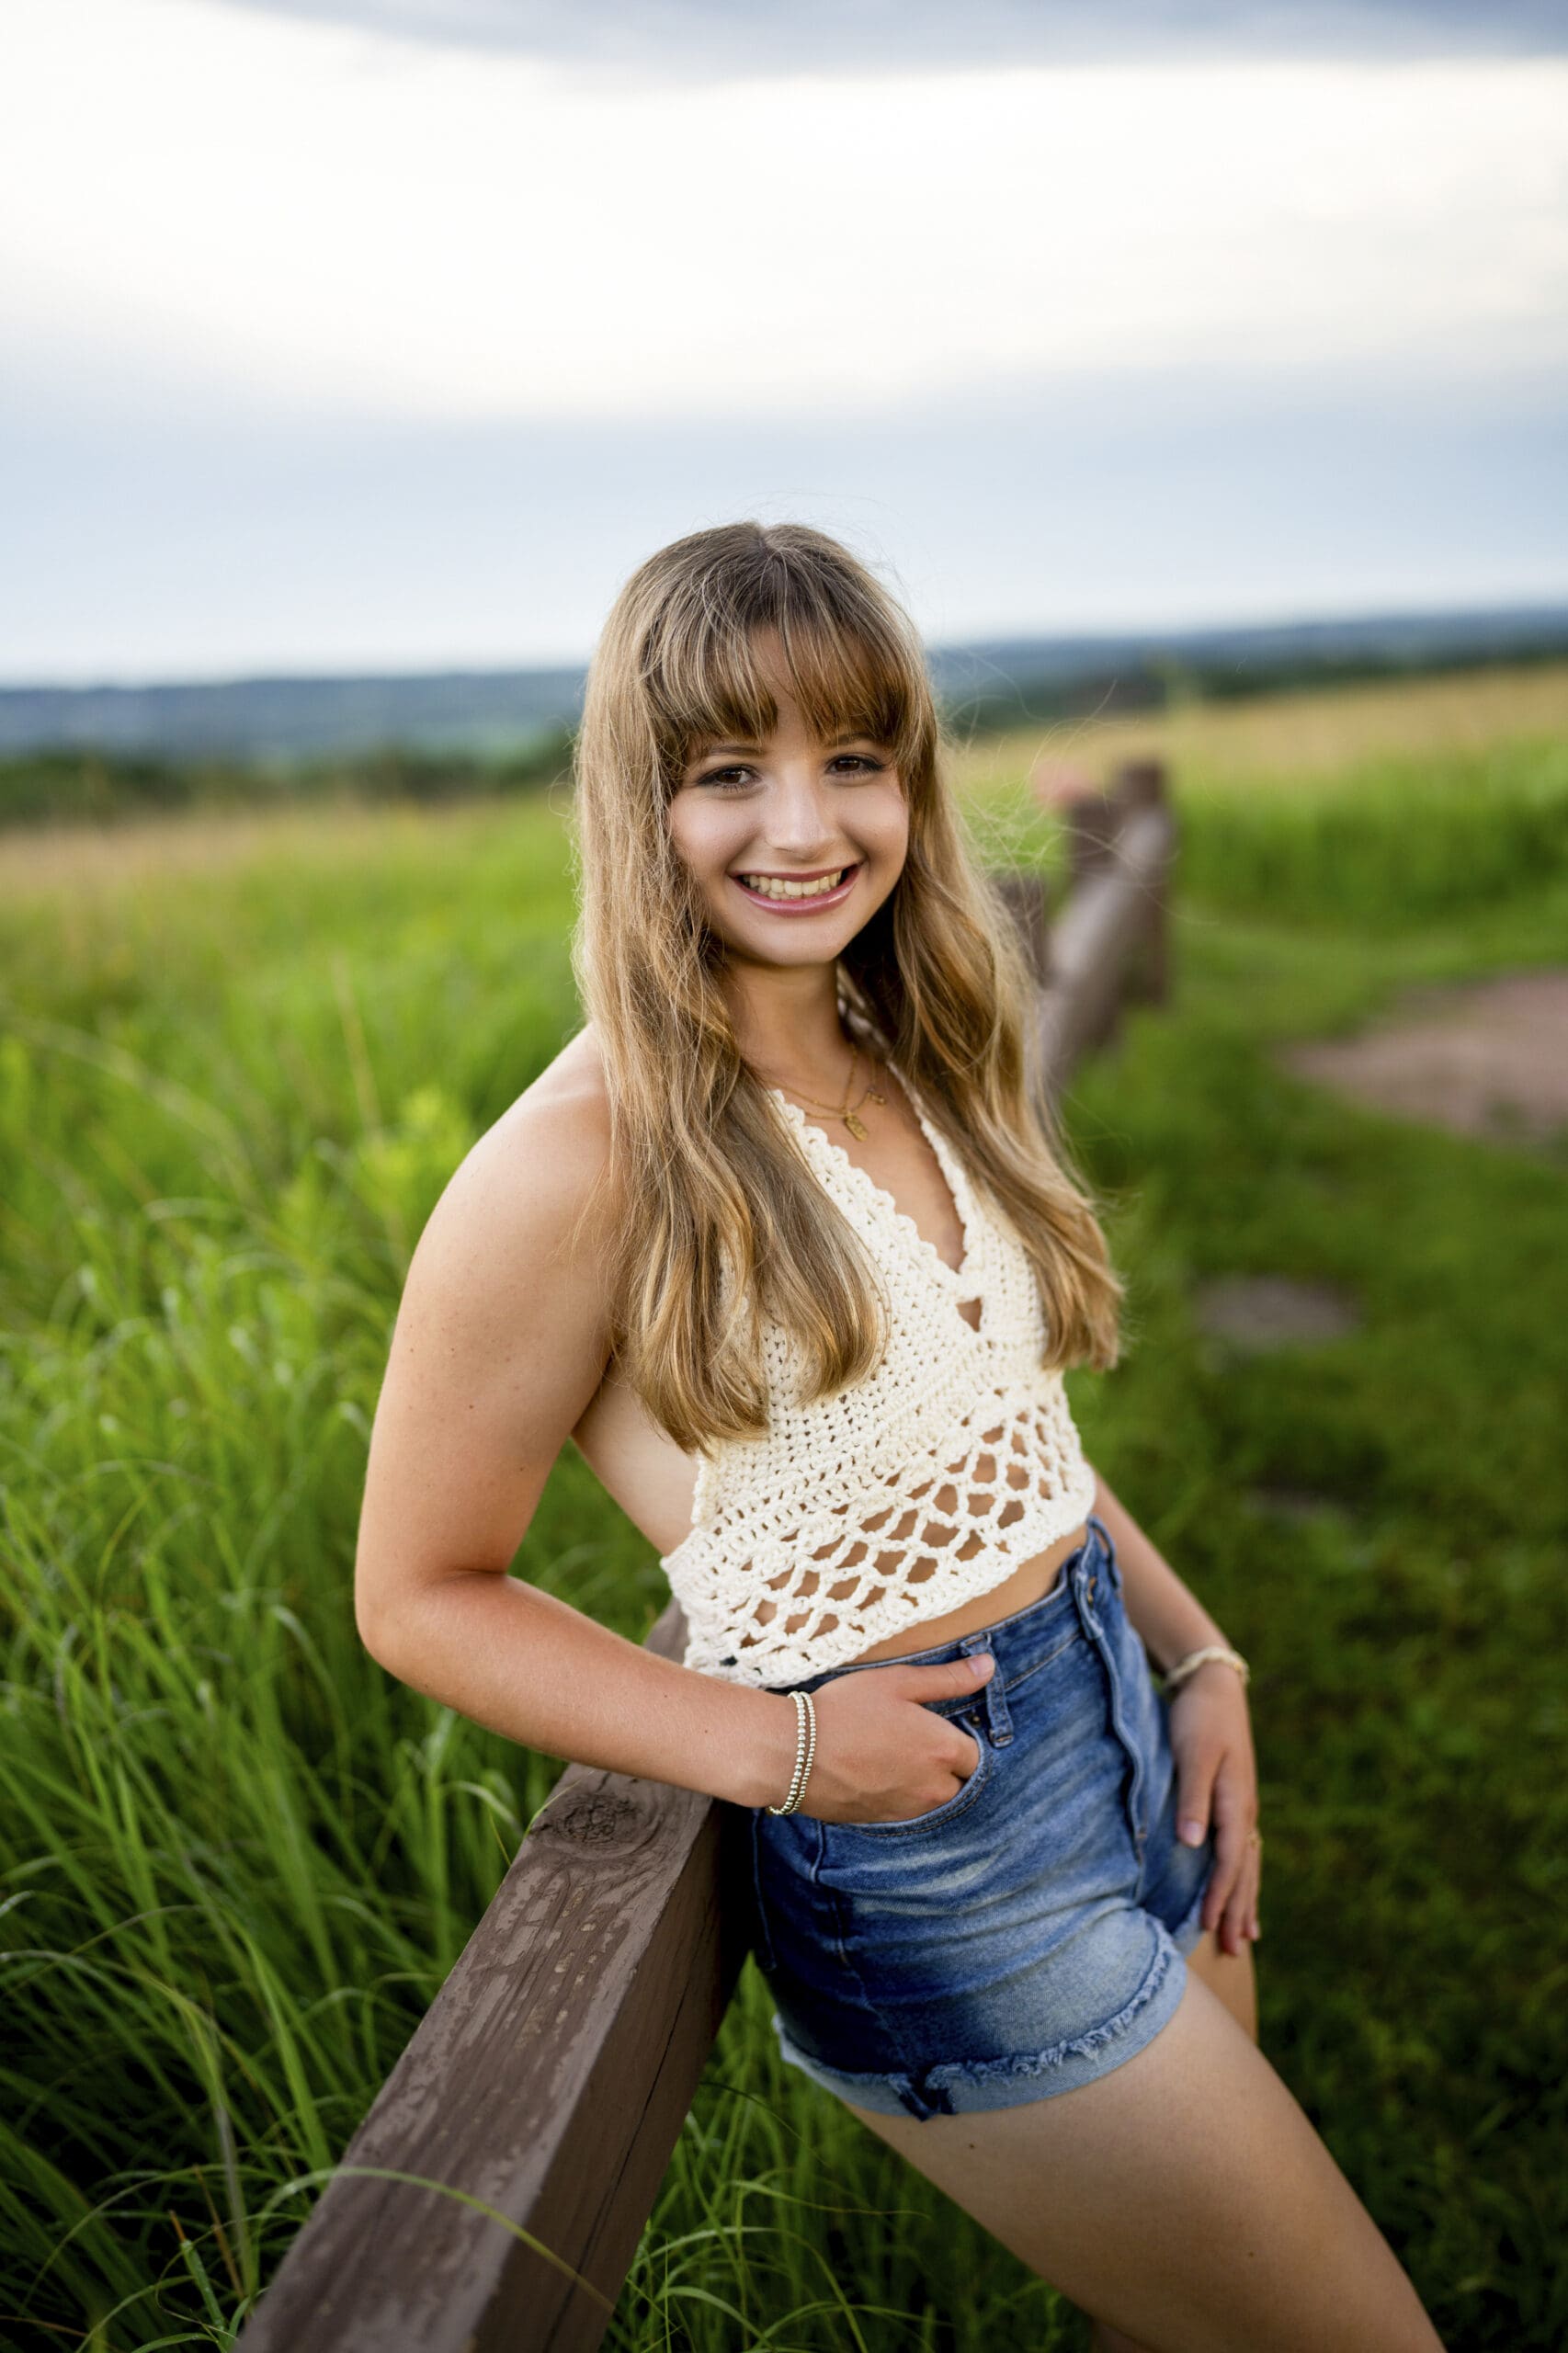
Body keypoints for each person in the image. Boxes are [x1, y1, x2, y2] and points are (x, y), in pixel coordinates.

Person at [352, 521, 1445, 2353]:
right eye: (727, 773)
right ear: (640, 801)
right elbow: (417, 1591)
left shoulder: (912, 1031)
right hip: (945, 1860)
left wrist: (1196, 1645)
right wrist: (775, 1746)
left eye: (852, 757)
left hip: (1117, 1710)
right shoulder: (577, 1161)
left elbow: (1006, 1433)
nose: (803, 826)